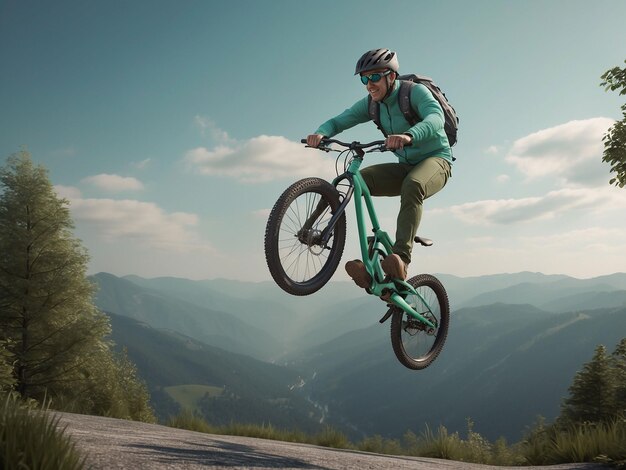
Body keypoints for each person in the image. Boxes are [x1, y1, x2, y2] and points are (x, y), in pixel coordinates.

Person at [306, 48, 453, 288]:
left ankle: (401, 260)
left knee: (413, 185)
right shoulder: (371, 104)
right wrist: (321, 133)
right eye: (364, 79)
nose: (369, 84)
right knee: (357, 181)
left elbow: (435, 118)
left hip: (437, 161)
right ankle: (357, 253)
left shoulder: (414, 93)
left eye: (374, 77)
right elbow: (339, 120)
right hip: (405, 165)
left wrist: (408, 135)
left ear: (391, 76)